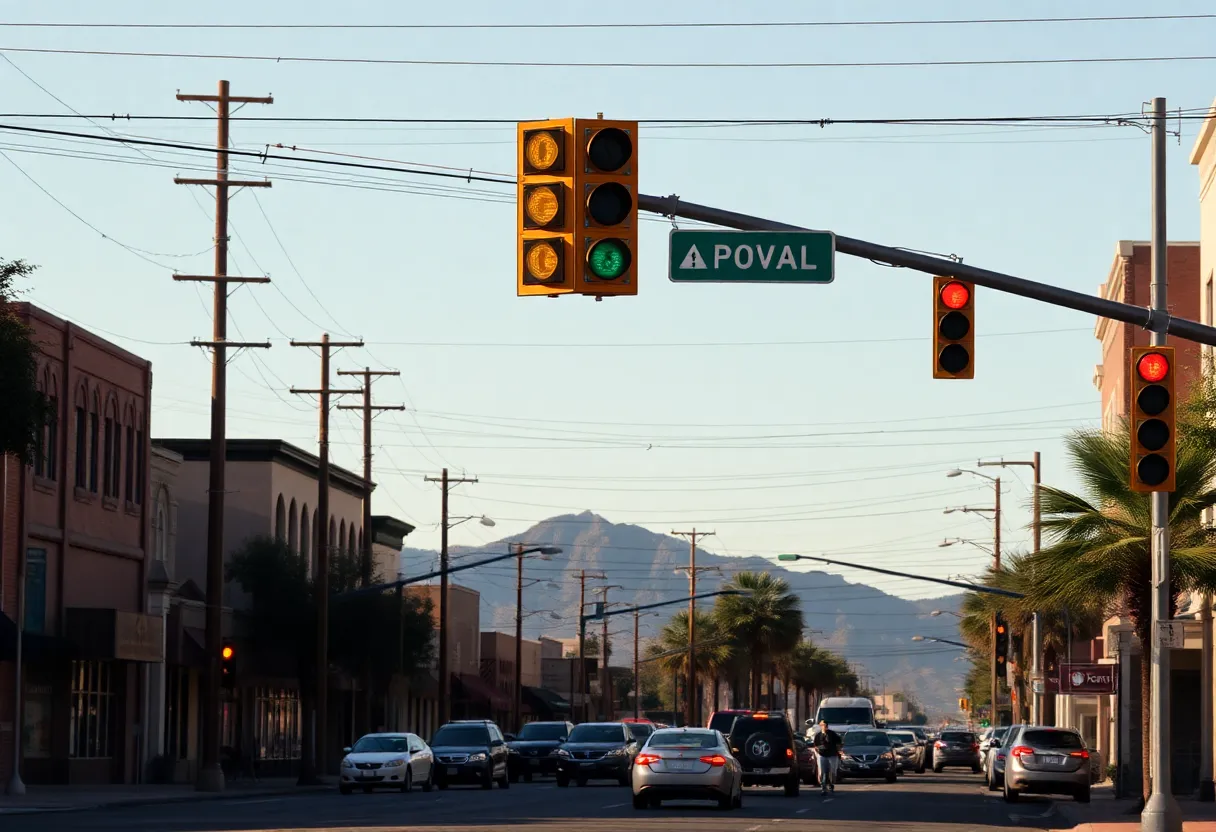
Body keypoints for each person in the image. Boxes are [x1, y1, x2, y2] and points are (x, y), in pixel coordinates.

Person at [811, 720, 842, 794]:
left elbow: (839, 742)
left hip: (832, 755)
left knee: (832, 771)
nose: (824, 726)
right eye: (822, 725)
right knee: (822, 771)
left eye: (825, 725)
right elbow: (815, 745)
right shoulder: (818, 735)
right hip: (822, 755)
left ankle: (831, 784)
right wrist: (817, 750)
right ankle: (823, 787)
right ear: (820, 726)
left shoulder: (832, 734)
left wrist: (839, 750)